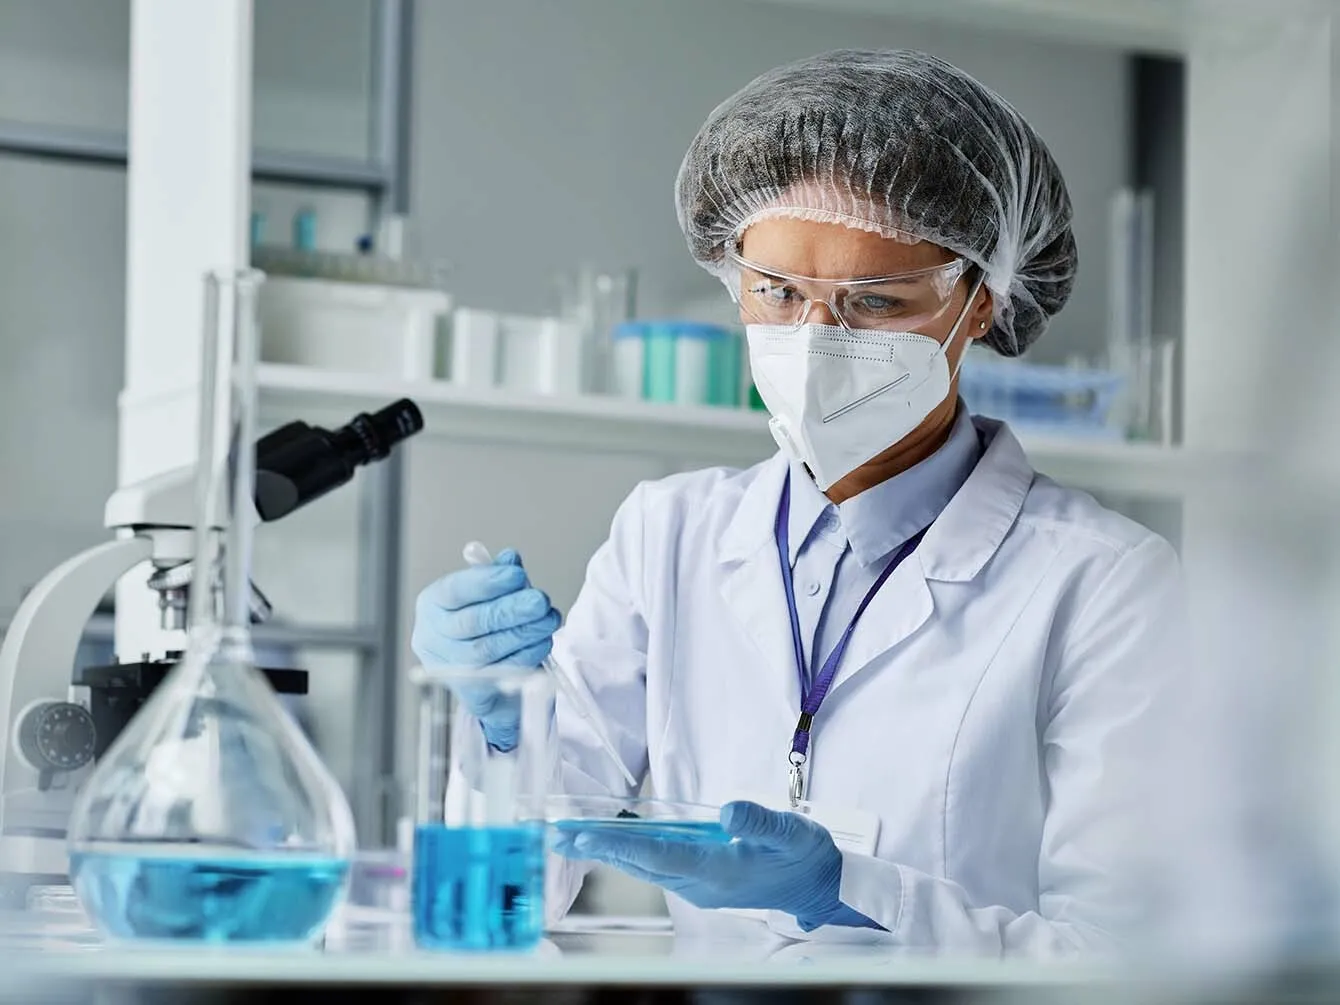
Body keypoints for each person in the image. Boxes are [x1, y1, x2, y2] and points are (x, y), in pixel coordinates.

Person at [413, 49, 1186, 955]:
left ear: (981, 301)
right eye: (777, 292)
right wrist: (507, 729)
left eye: (876, 301)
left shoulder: (1104, 583)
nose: (814, 342)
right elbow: (511, 899)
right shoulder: (668, 533)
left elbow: (1128, 957)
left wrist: (844, 893)